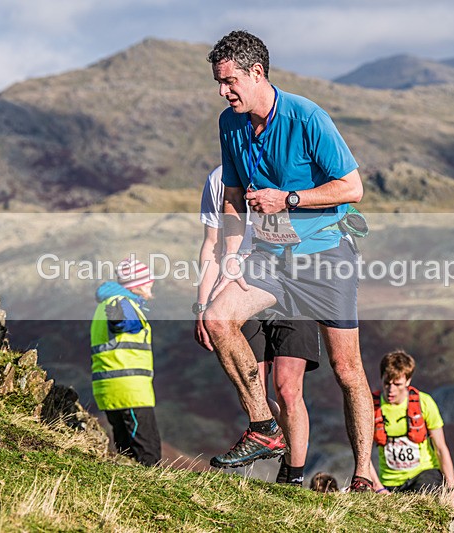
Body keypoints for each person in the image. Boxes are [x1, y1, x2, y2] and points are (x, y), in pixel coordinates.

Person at [203, 30, 375, 492]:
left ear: (257, 73)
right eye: (219, 83)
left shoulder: (307, 116)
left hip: (325, 257)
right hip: (269, 257)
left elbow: (352, 188)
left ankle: (363, 473)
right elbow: (235, 197)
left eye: (230, 81)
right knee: (218, 319)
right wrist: (233, 260)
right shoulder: (229, 123)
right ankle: (263, 425)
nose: (224, 91)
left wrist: (290, 198)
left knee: (347, 369)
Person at [195, 165, 321, 486]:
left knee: (289, 388)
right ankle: (267, 433)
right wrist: (202, 303)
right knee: (258, 391)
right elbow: (212, 244)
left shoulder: (286, 163)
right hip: (243, 285)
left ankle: (292, 479)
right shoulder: (217, 179)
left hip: (292, 278)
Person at [368, 351, 454, 514]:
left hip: (424, 474)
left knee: (421, 511)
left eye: (397, 384)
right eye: (386, 383)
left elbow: (441, 448)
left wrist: (452, 491)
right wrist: (378, 487)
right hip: (388, 482)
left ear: (408, 380)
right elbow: (361, 453)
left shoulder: (424, 402)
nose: (391, 390)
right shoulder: (370, 407)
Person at [90, 257, 162, 466]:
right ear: (137, 285)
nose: (151, 286)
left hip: (108, 386)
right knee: (148, 451)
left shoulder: (109, 303)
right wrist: (121, 320)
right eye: (149, 282)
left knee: (125, 450)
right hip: (129, 388)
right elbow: (124, 323)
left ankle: (127, 493)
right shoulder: (121, 303)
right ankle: (150, 493)